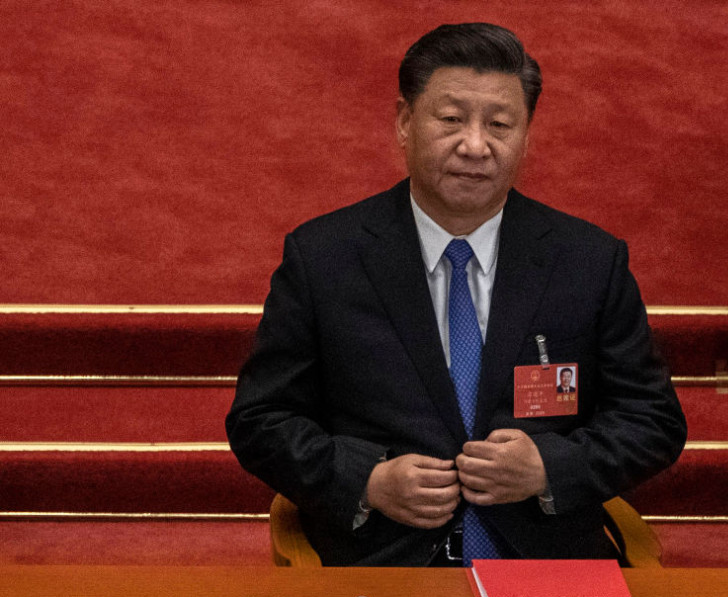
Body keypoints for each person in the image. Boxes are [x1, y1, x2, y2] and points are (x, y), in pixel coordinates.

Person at [226, 22, 686, 566]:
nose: (474, 145)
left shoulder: (587, 261)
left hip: (543, 569)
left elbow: (653, 420)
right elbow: (261, 421)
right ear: (404, 122)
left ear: (526, 134)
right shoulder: (326, 257)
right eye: (450, 120)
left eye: (499, 124)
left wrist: (550, 468)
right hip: (383, 571)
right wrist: (368, 480)